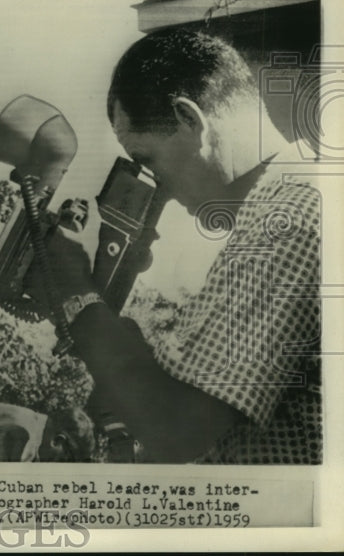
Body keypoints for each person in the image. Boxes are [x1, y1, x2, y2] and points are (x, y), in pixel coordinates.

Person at [38, 29, 321, 464]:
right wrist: (118, 341)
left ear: (190, 120)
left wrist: (76, 290)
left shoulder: (282, 226)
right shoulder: (294, 204)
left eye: (148, 160)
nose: (161, 193)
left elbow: (180, 432)